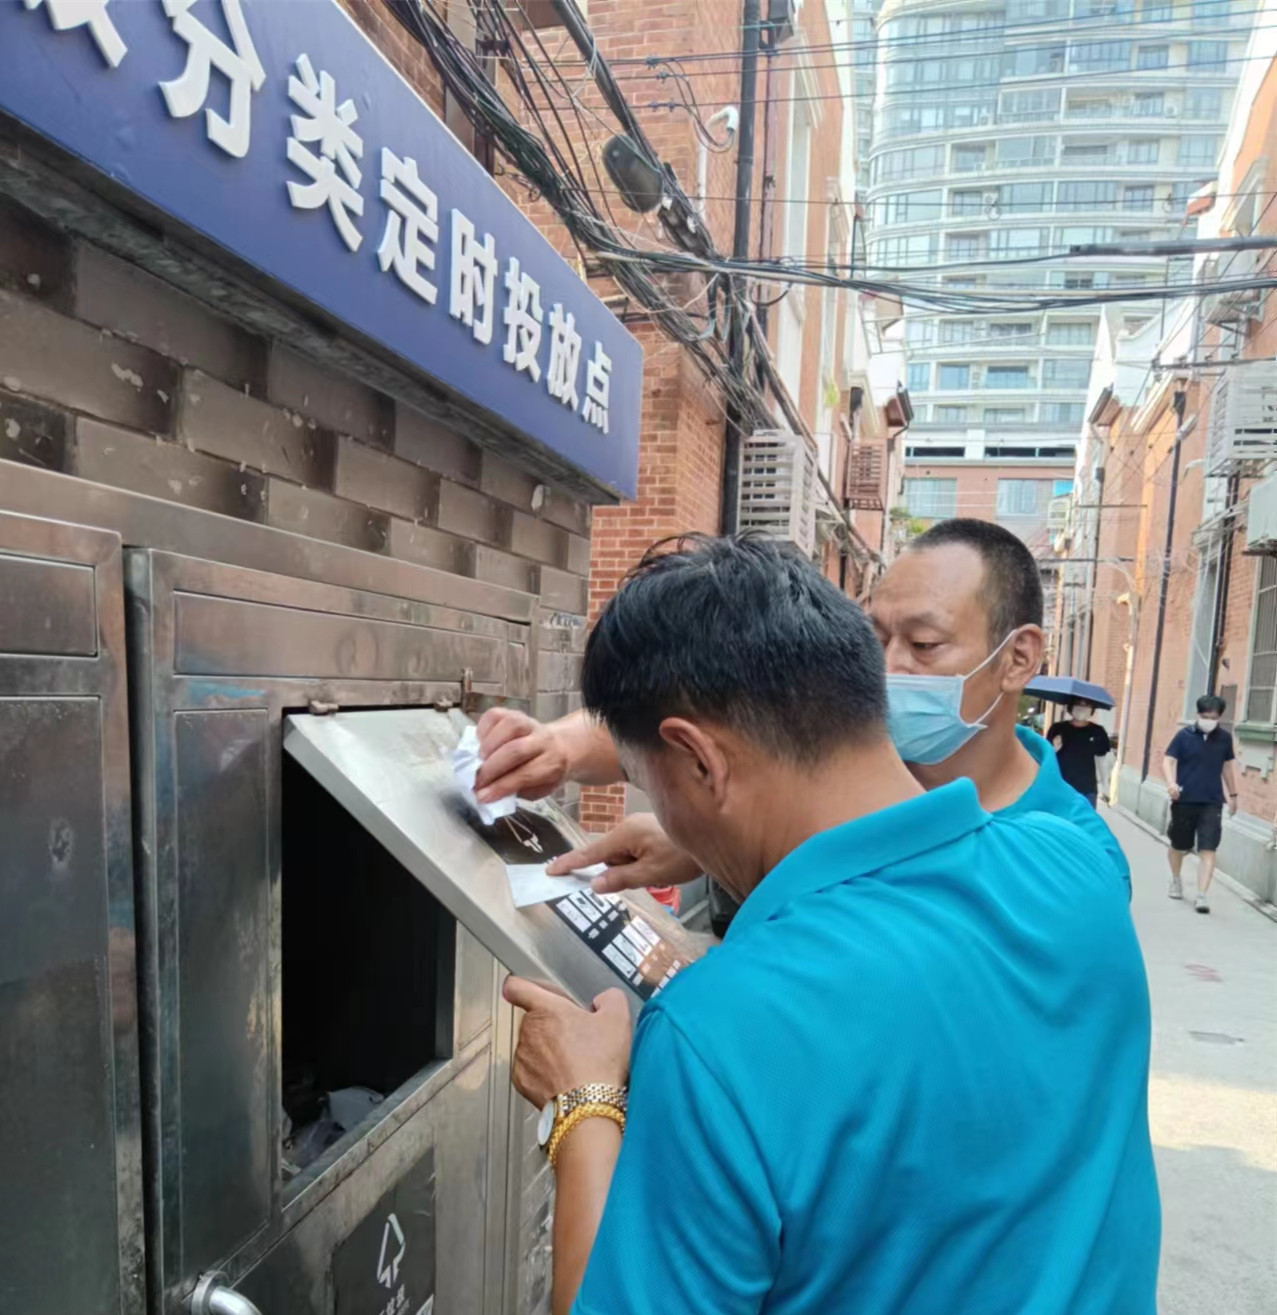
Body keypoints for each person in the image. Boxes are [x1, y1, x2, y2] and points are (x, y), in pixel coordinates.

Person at [504, 534, 1159, 1315]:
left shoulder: (715, 1031)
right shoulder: (1079, 861)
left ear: (701, 762)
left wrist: (581, 1103)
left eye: (653, 783)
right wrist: (724, 847)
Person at [475, 519, 1131, 901]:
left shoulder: (1066, 861)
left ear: (1018, 658)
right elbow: (702, 729)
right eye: (876, 636)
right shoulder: (860, 746)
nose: (890, 667)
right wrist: (556, 746)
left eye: (924, 645)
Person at [1164, 694, 1239, 913]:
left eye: (1214, 717)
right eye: (1205, 716)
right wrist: (1171, 783)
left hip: (1212, 801)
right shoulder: (1184, 736)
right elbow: (1168, 760)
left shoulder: (1224, 739)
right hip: (1184, 800)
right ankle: (1176, 879)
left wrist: (1233, 795)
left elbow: (1227, 767)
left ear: (1219, 717)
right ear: (1198, 715)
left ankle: (1201, 895)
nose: (1209, 721)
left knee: (1208, 848)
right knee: (1178, 845)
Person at [1047, 697, 1113, 808]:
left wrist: (1105, 787)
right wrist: (1053, 749)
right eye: (1078, 703)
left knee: (1085, 819)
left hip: (1086, 790)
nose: (1082, 708)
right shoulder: (1057, 729)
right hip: (1060, 787)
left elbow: (1101, 760)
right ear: (1071, 707)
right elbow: (1045, 757)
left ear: (1092, 709)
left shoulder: (1098, 731)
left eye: (1087, 705)